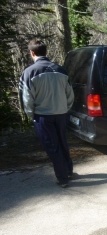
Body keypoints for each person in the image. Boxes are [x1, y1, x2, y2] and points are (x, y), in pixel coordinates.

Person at [19, 38, 74, 188]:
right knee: (63, 142)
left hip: (43, 116)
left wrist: (31, 115)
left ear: (32, 53)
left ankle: (63, 178)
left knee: (52, 146)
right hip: (61, 113)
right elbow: (70, 94)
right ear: (45, 51)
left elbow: (27, 99)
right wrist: (65, 108)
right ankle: (68, 170)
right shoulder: (60, 69)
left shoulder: (29, 72)